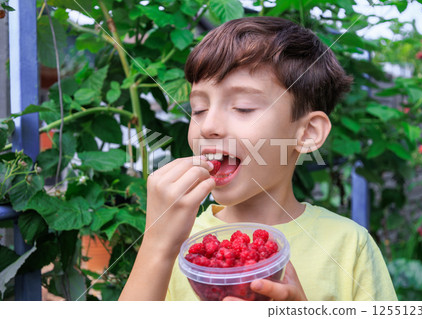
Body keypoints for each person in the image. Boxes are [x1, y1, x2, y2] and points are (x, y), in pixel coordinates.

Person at [119, 16, 397, 301]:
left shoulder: (349, 246)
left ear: (308, 133)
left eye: (243, 107)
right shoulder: (177, 241)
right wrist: (156, 245)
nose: (208, 125)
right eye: (199, 109)